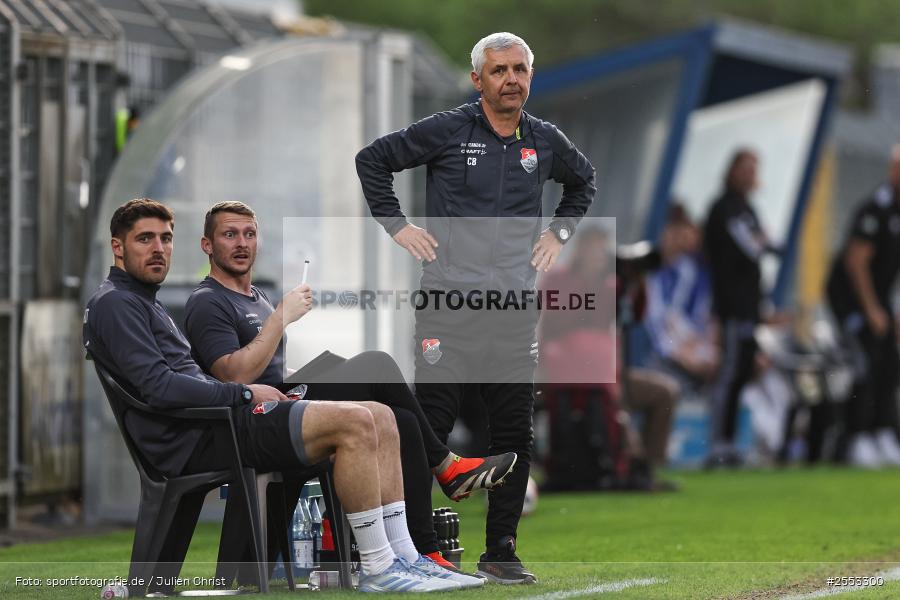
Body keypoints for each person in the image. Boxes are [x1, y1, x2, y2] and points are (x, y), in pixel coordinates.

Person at [83, 198, 462, 593]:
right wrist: (244, 394)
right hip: (208, 434)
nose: (159, 249)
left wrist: (250, 392)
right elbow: (160, 387)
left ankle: (406, 556)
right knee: (358, 418)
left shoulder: (143, 301)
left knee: (381, 414)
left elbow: (179, 380)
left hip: (220, 424)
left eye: (165, 239)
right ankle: (379, 566)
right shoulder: (117, 303)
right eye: (145, 239)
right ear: (118, 247)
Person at [357, 32, 596, 584]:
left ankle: (501, 553)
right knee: (430, 424)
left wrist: (559, 232)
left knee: (514, 431)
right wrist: (398, 226)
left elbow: (583, 181)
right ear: (477, 80)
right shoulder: (447, 129)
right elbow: (373, 160)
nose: (511, 79)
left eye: (519, 69)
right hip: (448, 306)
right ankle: (423, 552)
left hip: (513, 310)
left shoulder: (545, 140)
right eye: (499, 70)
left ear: (530, 76)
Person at [184, 201, 505, 587]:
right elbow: (233, 374)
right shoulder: (208, 301)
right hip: (256, 418)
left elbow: (267, 367)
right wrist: (281, 318)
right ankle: (446, 467)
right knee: (377, 365)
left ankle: (422, 552)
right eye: (229, 234)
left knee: (402, 421)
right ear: (207, 245)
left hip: (284, 399)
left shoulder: (256, 297)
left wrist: (296, 363)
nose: (241, 243)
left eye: (249, 234)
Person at [826, 144, 900, 467]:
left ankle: (882, 432)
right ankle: (856, 437)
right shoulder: (875, 209)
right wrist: (871, 310)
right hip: (852, 301)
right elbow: (856, 262)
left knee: (889, 366)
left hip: (879, 300)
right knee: (863, 366)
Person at [703, 149, 775, 468]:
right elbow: (753, 247)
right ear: (731, 171)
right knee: (730, 373)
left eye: (753, 169)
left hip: (748, 309)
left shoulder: (749, 209)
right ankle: (717, 443)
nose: (750, 175)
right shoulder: (724, 208)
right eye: (745, 168)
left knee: (743, 372)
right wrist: (766, 242)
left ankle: (730, 442)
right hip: (730, 308)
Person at [645, 204, 718, 390]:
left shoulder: (684, 269)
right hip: (657, 352)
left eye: (683, 240)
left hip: (677, 344)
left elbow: (677, 315)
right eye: (676, 236)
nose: (678, 245)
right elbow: (654, 320)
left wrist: (691, 341)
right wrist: (676, 350)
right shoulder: (649, 271)